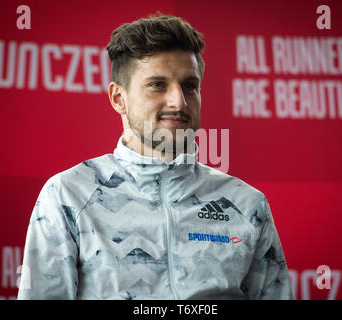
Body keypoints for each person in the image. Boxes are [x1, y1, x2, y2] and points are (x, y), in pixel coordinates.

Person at [17, 13, 293, 300]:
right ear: (118, 98)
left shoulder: (247, 203)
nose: (179, 102)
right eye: (157, 85)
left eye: (189, 85)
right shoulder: (68, 195)